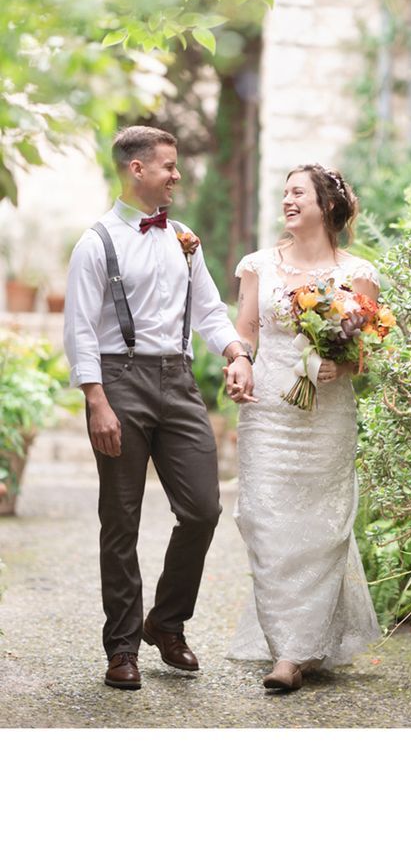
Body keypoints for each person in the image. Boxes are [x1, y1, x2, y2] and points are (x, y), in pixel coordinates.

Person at [62, 125, 257, 691]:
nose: (176, 175)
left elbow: (210, 310)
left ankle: (165, 623)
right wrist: (95, 400)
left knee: (203, 509)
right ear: (136, 170)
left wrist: (236, 352)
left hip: (177, 382)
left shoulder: (184, 239)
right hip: (119, 382)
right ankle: (122, 647)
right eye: (167, 166)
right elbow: (78, 329)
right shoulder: (95, 242)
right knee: (120, 520)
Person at [226, 165, 383, 694]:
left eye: (298, 193)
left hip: (326, 418)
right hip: (268, 410)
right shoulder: (258, 266)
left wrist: (346, 362)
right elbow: (246, 332)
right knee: (261, 520)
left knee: (321, 529)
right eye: (285, 192)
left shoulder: (356, 272)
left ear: (326, 205)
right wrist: (239, 364)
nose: (288, 200)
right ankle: (287, 641)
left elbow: (367, 348)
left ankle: (295, 653)